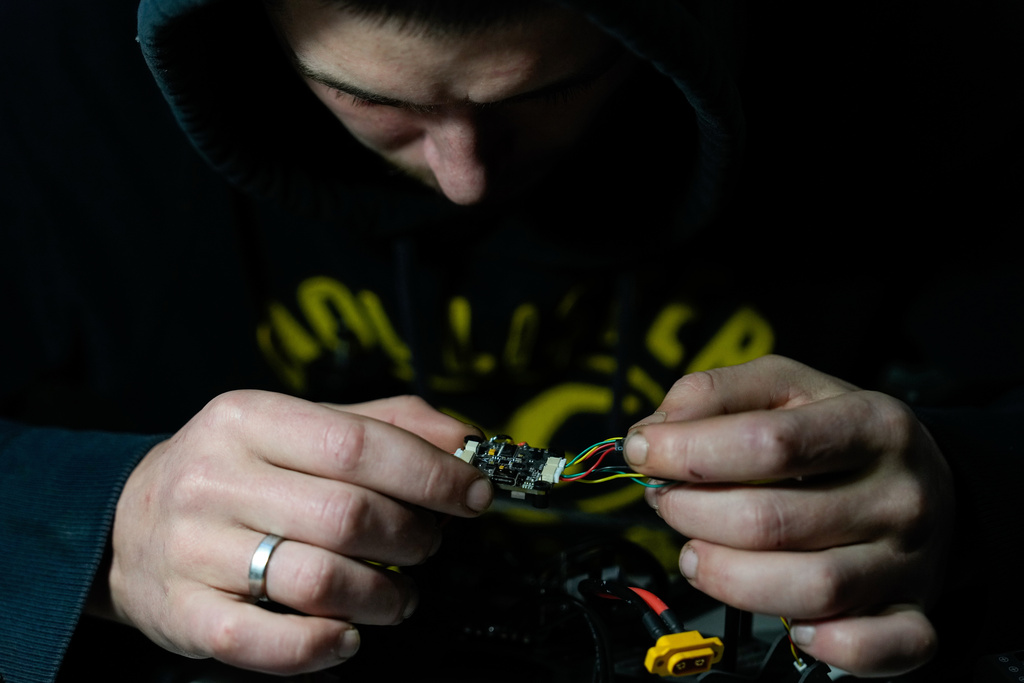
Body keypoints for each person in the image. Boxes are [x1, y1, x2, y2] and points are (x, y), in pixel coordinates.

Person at [1, 0, 1022, 681]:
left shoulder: (924, 56)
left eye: (540, 94)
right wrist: (100, 523)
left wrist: (965, 490)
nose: (464, 177)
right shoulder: (44, 78)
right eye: (373, 99)